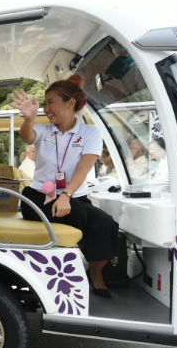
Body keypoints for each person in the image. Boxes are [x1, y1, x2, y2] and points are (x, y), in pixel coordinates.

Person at [10, 75, 119, 299]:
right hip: (38, 197)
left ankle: (96, 273)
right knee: (79, 214)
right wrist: (29, 118)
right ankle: (70, 268)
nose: (46, 108)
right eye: (45, 103)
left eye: (51, 102)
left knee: (106, 223)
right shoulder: (42, 130)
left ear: (70, 103)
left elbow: (84, 167)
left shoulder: (89, 133)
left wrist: (66, 195)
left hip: (74, 196)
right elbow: (27, 135)